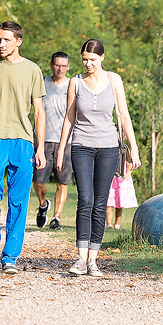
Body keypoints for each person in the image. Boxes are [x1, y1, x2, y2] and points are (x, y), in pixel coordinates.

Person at [56, 38, 140, 278]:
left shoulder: (114, 80)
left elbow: (123, 115)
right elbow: (69, 118)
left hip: (108, 147)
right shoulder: (76, 82)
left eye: (92, 59)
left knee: (101, 202)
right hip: (81, 145)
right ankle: (81, 258)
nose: (88, 63)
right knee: (86, 199)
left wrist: (133, 147)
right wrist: (62, 149)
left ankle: (93, 258)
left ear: (102, 57)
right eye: (84, 59)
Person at [0, 21, 46, 275]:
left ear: (18, 41)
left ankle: (10, 256)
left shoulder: (32, 70)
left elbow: (38, 112)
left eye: (6, 39)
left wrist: (40, 148)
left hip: (23, 142)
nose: (0, 44)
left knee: (19, 203)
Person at [33, 51, 72, 231]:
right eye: (57, 65)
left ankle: (56, 218)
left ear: (68, 67)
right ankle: (43, 205)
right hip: (43, 140)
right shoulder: (42, 83)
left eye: (64, 66)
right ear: (51, 65)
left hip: (66, 141)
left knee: (62, 182)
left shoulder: (72, 85)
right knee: (39, 181)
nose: (60, 69)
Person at [106, 160, 138, 230]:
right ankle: (108, 223)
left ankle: (117, 224)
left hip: (121, 180)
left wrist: (127, 174)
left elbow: (129, 163)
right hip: (112, 179)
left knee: (119, 205)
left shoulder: (124, 151)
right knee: (109, 204)